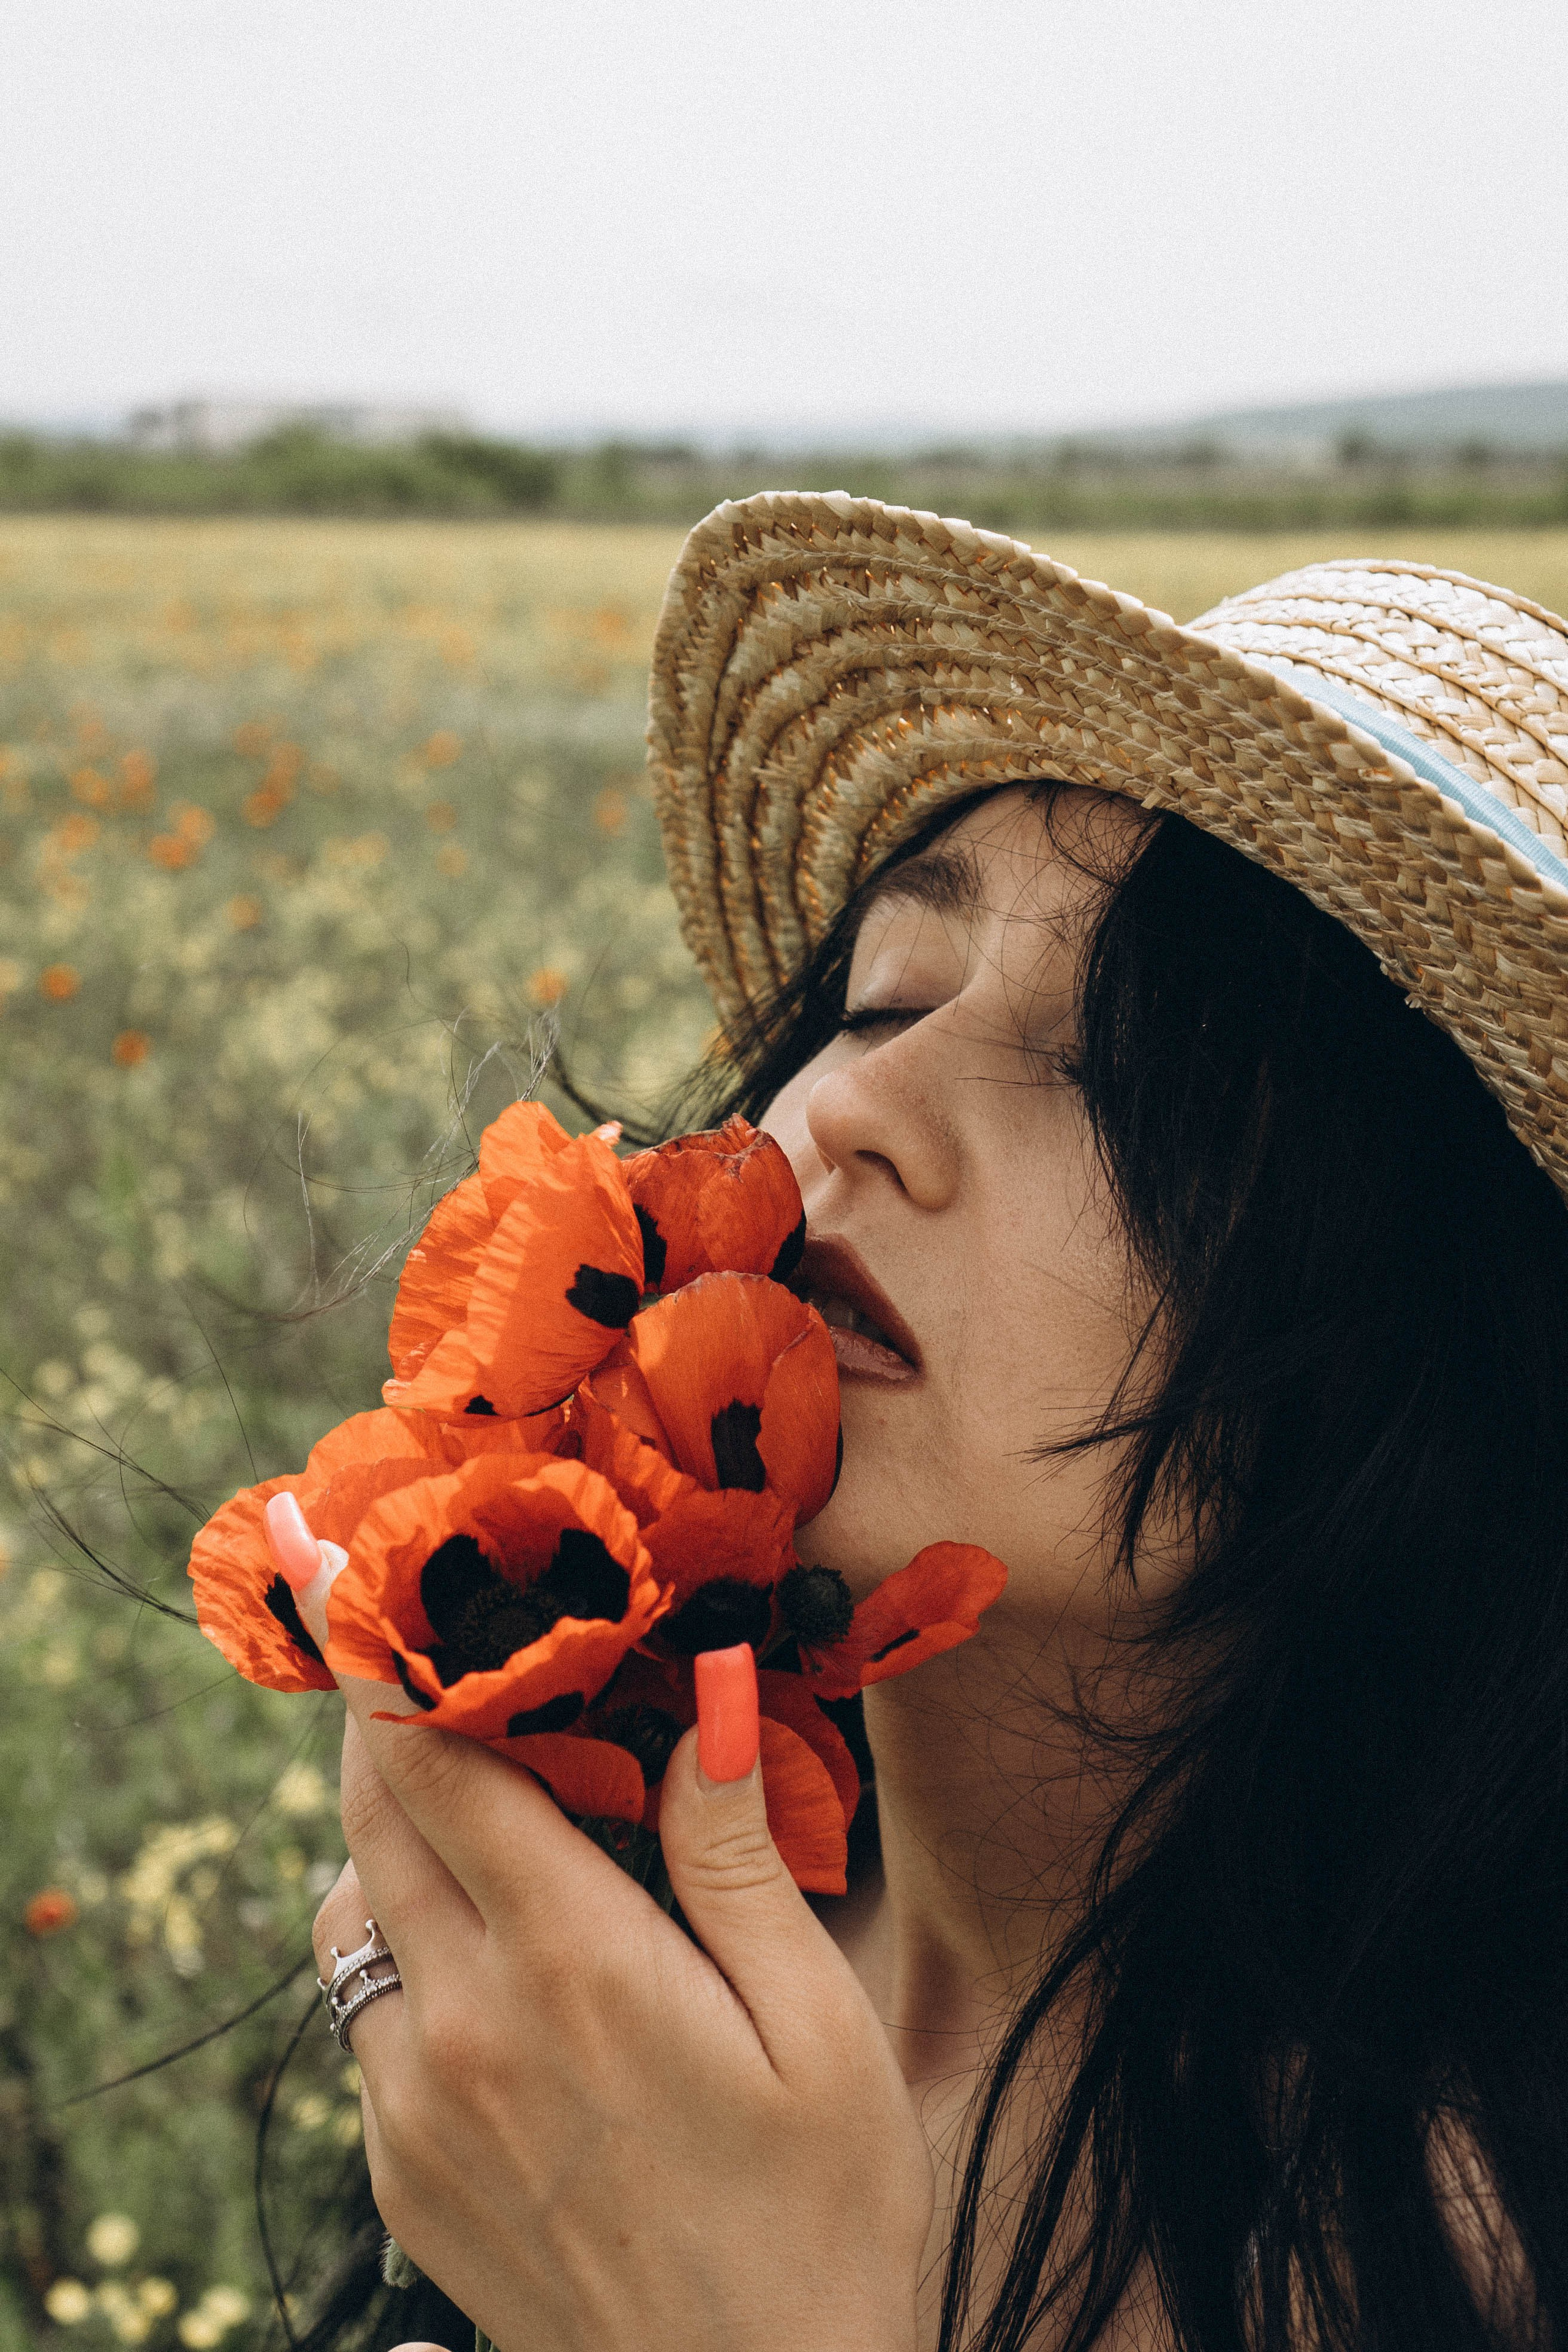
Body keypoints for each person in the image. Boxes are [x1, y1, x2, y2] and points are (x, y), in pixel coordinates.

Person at [309, 496, 1568, 2351]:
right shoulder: (581, 1977)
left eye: (1119, 1079)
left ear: (1439, 1352)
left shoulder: (1468, 2257)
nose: (861, 1106)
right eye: (890, 987)